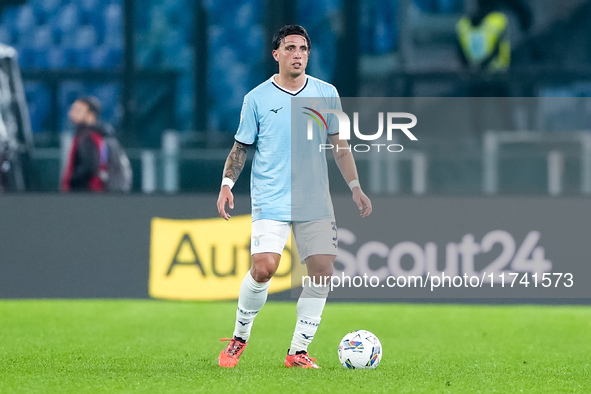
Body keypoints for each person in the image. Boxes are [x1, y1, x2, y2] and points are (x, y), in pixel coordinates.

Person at [216, 24, 372, 369]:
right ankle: (239, 338)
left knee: (322, 271)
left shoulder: (326, 92)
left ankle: (297, 351)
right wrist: (227, 184)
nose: (297, 54)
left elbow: (340, 146)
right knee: (264, 268)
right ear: (276, 55)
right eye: (290, 48)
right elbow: (241, 147)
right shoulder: (256, 98)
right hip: (271, 196)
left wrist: (355, 187)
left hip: (314, 199)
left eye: (303, 48)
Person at [61, 96, 113, 192]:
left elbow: (89, 168)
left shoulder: (88, 137)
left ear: (91, 115)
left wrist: (72, 181)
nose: (71, 114)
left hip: (84, 193)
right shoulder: (95, 135)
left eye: (78, 110)